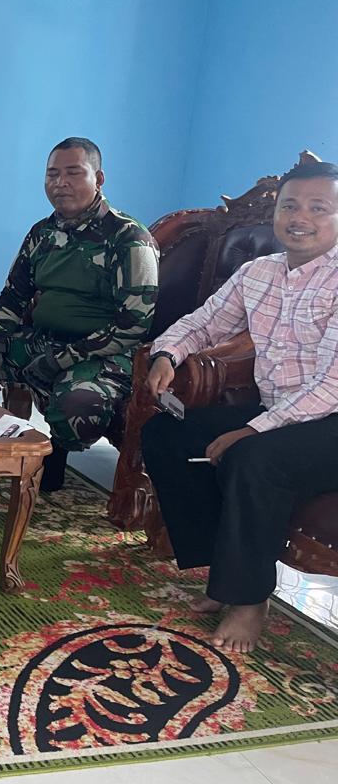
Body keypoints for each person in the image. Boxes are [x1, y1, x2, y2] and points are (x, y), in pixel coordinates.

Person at [142, 161, 338, 653]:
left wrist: (253, 430)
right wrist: (168, 354)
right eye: (290, 206)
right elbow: (204, 322)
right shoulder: (259, 273)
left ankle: (250, 600)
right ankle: (221, 572)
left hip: (330, 421)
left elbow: (332, 385)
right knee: (166, 434)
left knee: (254, 458)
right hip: (281, 411)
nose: (300, 217)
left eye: (319, 208)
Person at [0, 137, 159, 491]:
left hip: (102, 354)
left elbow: (133, 326)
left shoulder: (129, 238)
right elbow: (13, 298)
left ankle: (55, 455)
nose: (60, 183)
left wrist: (62, 359)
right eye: (52, 174)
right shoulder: (42, 233)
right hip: (42, 341)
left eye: (73, 173)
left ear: (98, 179)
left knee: (77, 407)